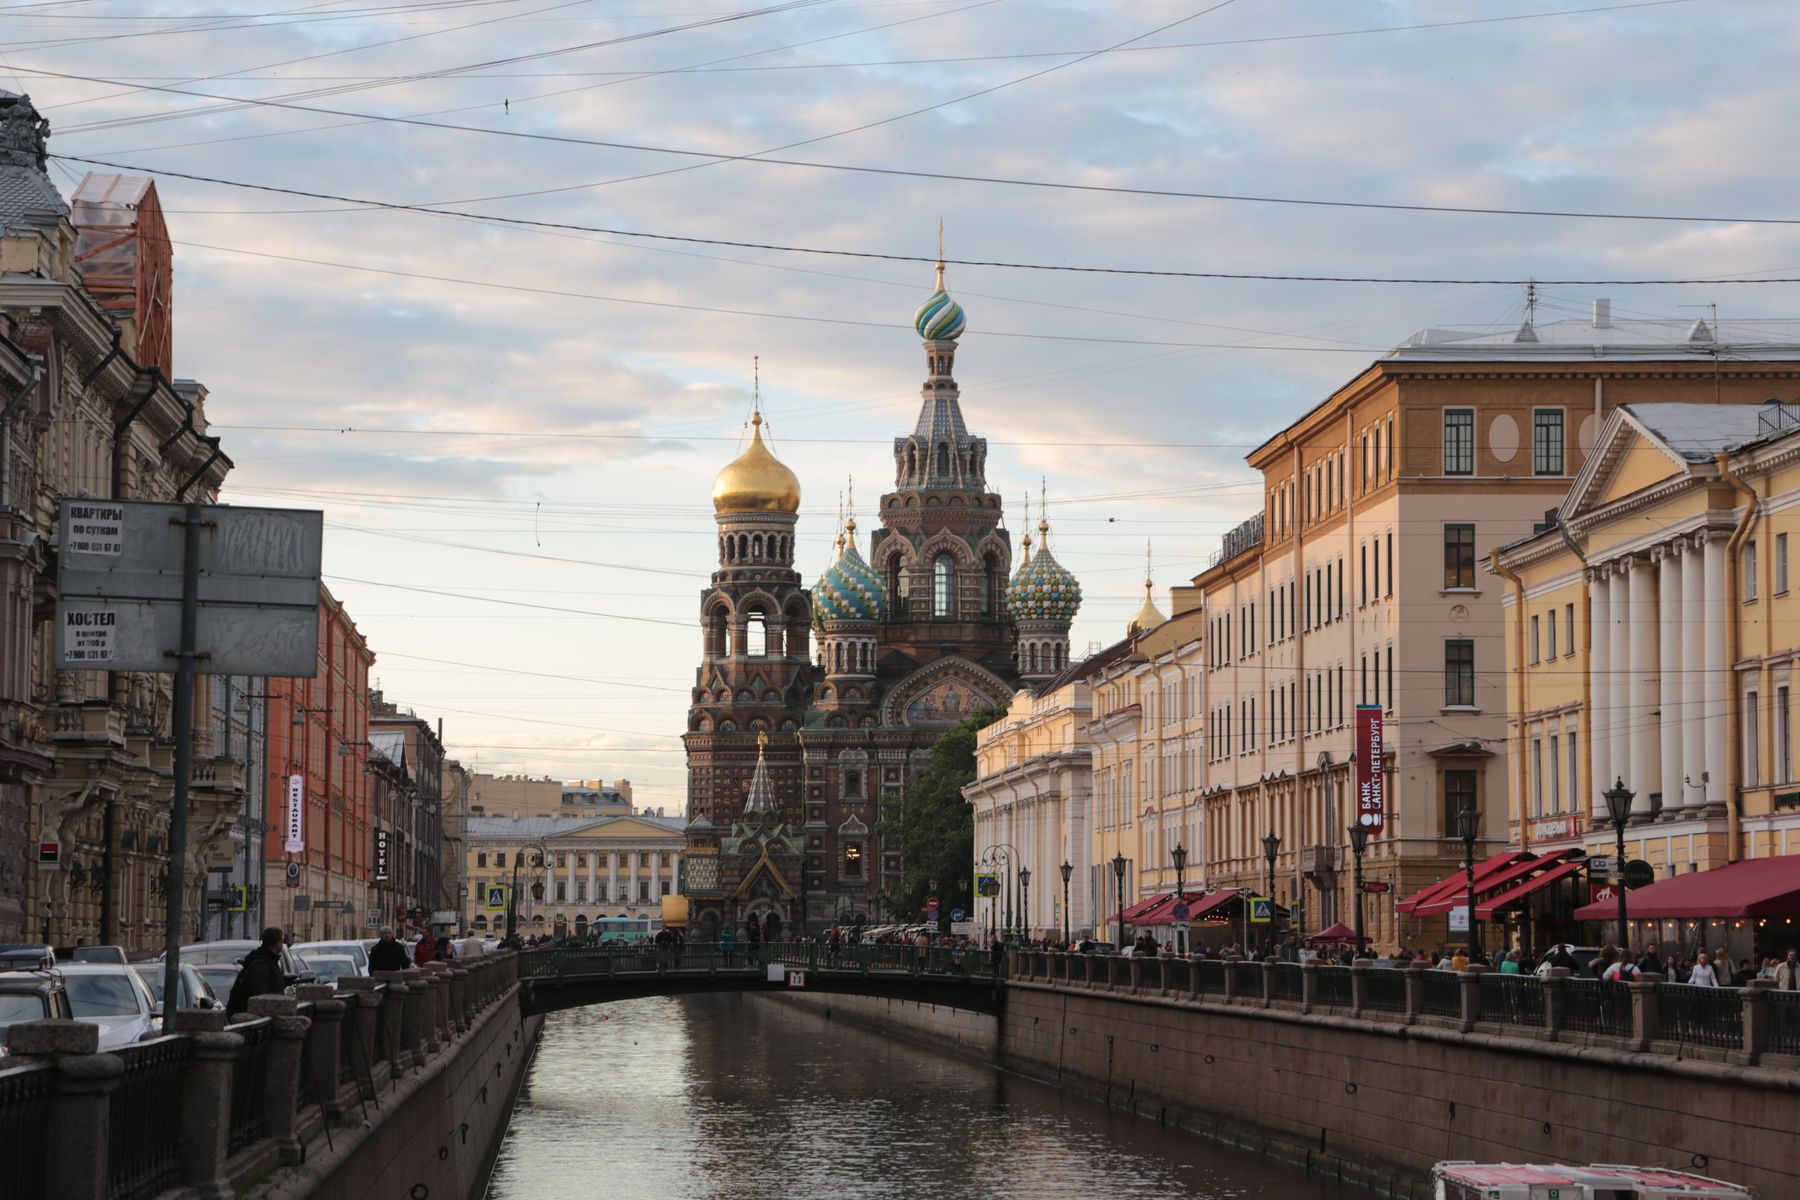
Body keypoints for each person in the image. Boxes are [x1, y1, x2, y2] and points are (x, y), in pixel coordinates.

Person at [227, 927, 288, 1016]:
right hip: (253, 1021)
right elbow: (260, 997)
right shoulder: (261, 966)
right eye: (282, 941)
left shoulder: (268, 961)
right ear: (278, 944)